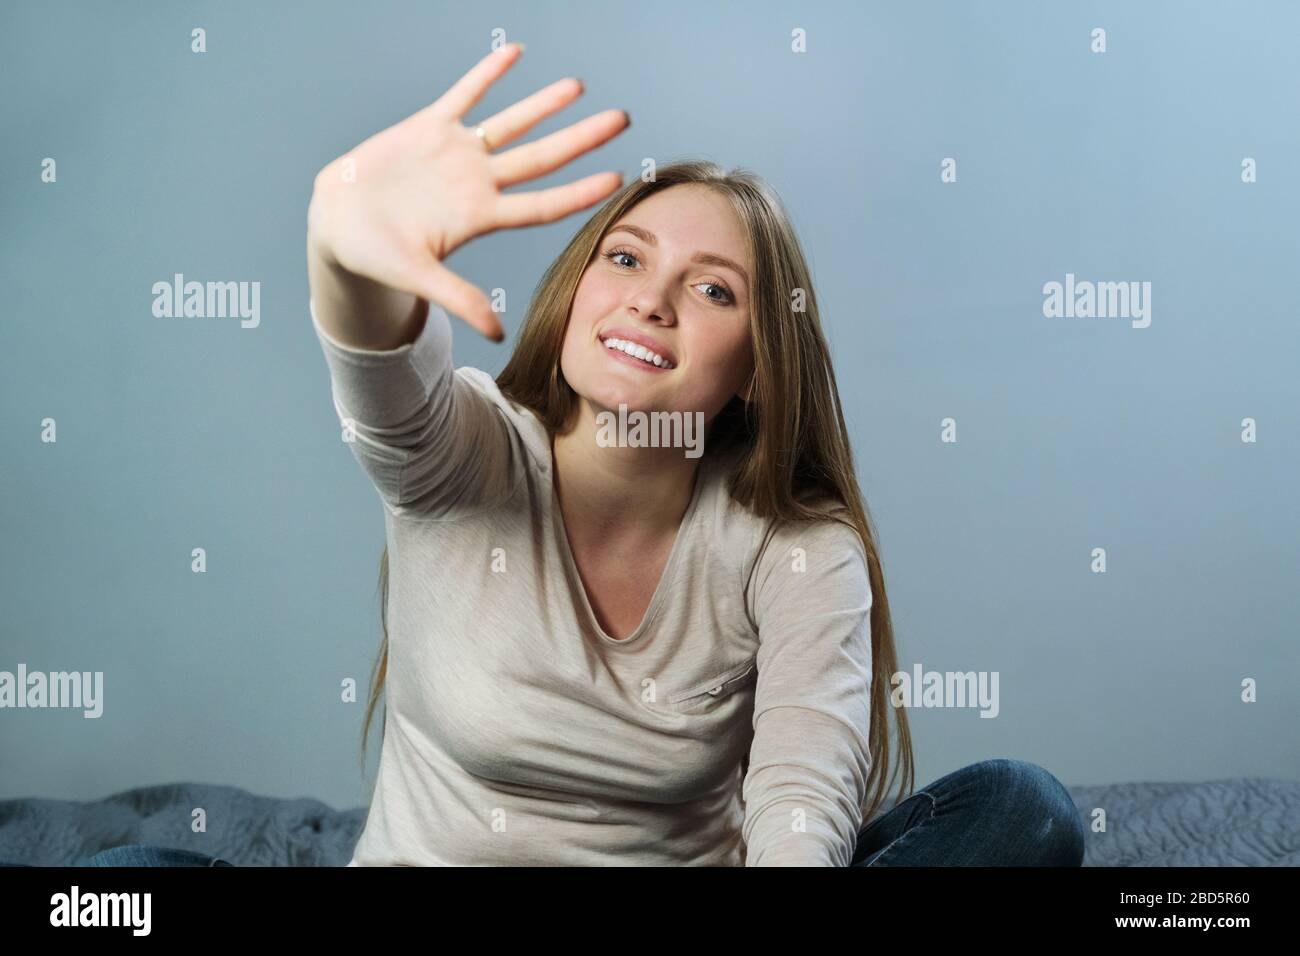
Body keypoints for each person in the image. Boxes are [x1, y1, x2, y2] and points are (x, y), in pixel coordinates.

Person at [5, 41, 1085, 868]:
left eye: (713, 288)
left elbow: (801, 807)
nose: (651, 298)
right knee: (121, 882)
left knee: (1021, 808)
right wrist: (344, 247)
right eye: (624, 255)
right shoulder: (471, 452)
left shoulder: (797, 547)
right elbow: (386, 373)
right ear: (575, 295)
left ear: (756, 366)